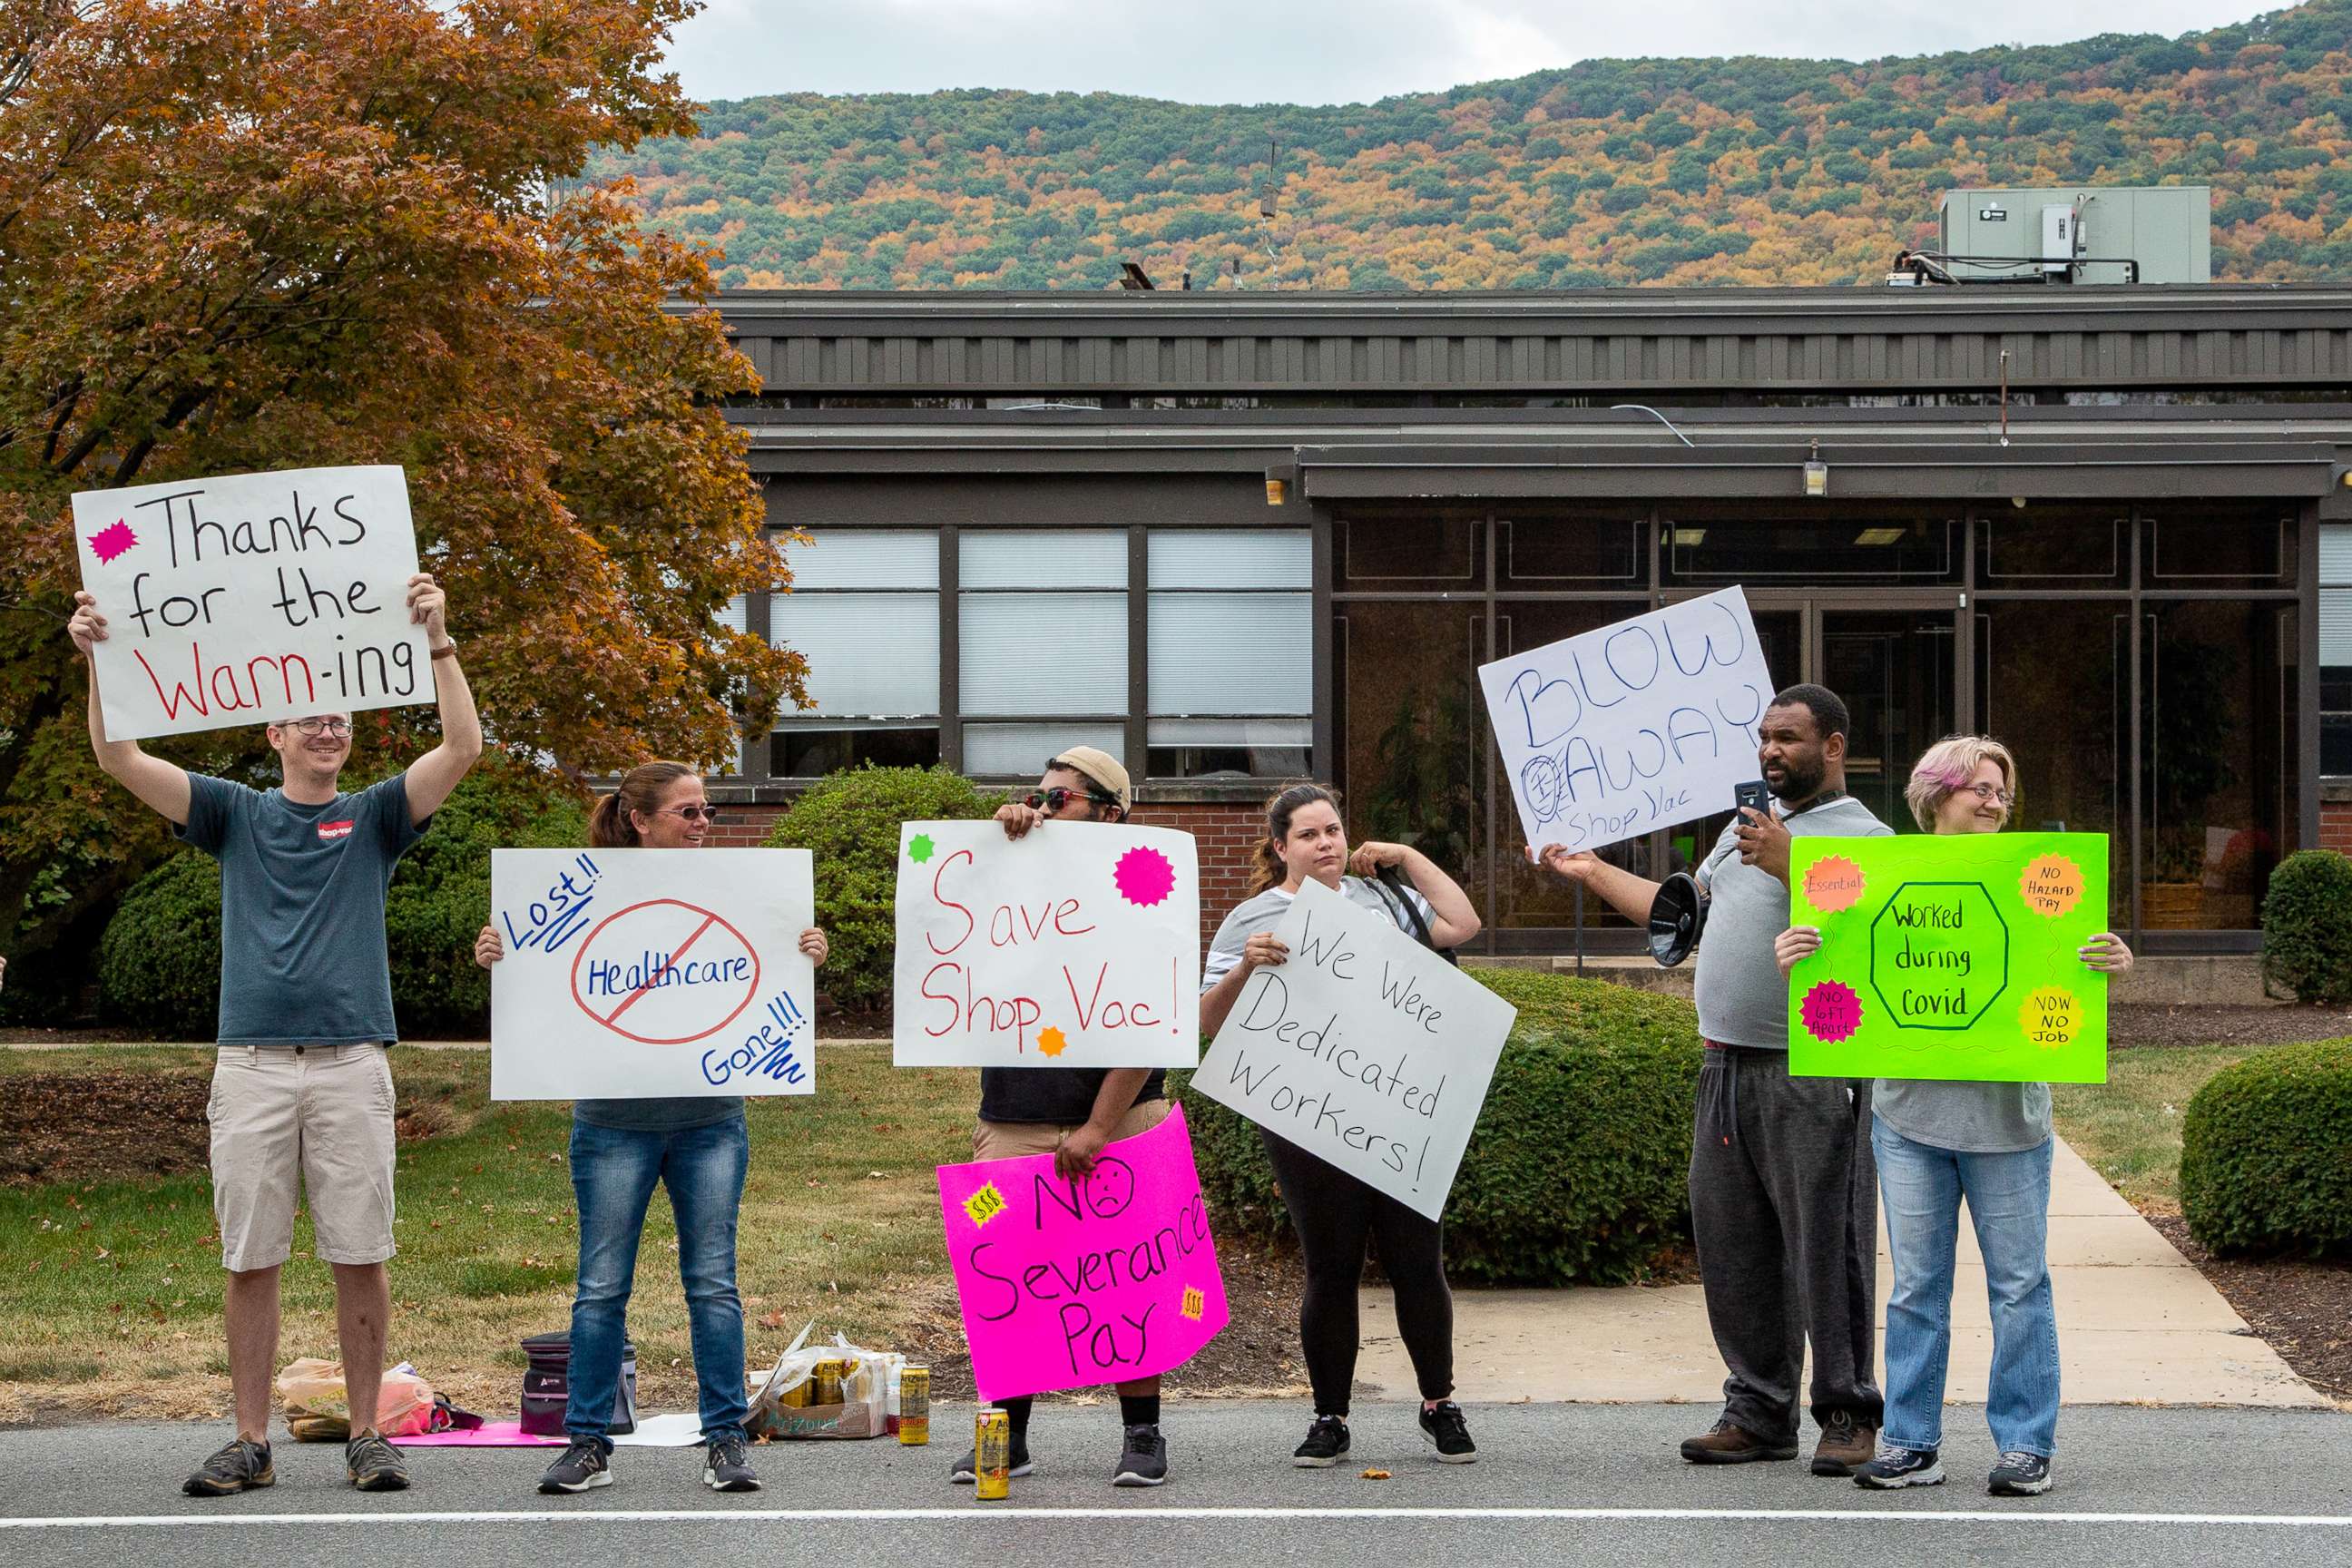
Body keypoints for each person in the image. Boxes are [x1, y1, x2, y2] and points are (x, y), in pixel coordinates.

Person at [68, 579, 482, 1498]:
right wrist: (100, 656)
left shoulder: (377, 817)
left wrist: (441, 644)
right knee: (251, 1255)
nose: (326, 731)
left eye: (338, 718)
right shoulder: (234, 814)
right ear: (275, 735)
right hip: (253, 1064)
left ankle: (368, 1433)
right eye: (307, 720)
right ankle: (249, 1440)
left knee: (358, 1253)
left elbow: (462, 746)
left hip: (350, 1063)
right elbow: (116, 752)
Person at [1535, 683, 1888, 1476]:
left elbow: (1877, 926)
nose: (1770, 750)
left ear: (1832, 746)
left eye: (1789, 738)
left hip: (1813, 1071)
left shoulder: (1864, 835)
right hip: (1723, 1063)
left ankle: (1848, 1411)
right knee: (1735, 1245)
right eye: (1764, 736)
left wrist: (1791, 861)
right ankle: (1760, 1410)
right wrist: (1592, 871)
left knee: (1827, 1244)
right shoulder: (1741, 835)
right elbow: (1678, 914)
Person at [1774, 735, 2132, 1499]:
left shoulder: (2040, 882)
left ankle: (2026, 1445)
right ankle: (1910, 1442)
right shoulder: (1881, 877)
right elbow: (1840, 970)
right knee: (1916, 1289)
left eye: (2002, 787)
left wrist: (2105, 960)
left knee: (2019, 1285)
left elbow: (2067, 966)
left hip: (2009, 1124)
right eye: (1980, 786)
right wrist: (1802, 951)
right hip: (1908, 1118)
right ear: (1936, 794)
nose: (1995, 799)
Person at [475, 761, 828, 1497]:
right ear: (640, 819)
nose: (704, 825)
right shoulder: (578, 893)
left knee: (713, 1285)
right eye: (689, 813)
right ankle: (588, 1444)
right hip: (612, 1124)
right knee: (601, 1288)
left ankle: (726, 1440)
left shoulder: (743, 893)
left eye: (707, 813)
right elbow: (542, 984)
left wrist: (805, 954)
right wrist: (500, 955)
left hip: (710, 1120)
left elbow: (760, 978)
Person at [1199, 782, 1484, 1468]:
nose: (1326, 843)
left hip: (1399, 1109)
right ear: (1280, 847)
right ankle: (1329, 1416)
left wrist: (1407, 858)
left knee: (1419, 1262)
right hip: (1307, 1119)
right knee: (1330, 1268)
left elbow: (1462, 925)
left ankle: (1439, 1404)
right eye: (1309, 835)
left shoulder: (1384, 900)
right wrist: (1246, 967)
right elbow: (1207, 1023)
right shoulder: (1252, 917)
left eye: (1333, 830)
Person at [947, 746, 1176, 1489]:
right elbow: (945, 926)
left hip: (1122, 1117)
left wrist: (1098, 1128)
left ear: (1109, 814)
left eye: (1060, 800)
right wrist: (994, 839)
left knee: (1127, 1277)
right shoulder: (1010, 876)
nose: (1041, 810)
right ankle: (1007, 1436)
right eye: (1036, 797)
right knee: (1008, 1273)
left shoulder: (1147, 897)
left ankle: (1143, 1437)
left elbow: (1152, 1022)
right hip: (1013, 1114)